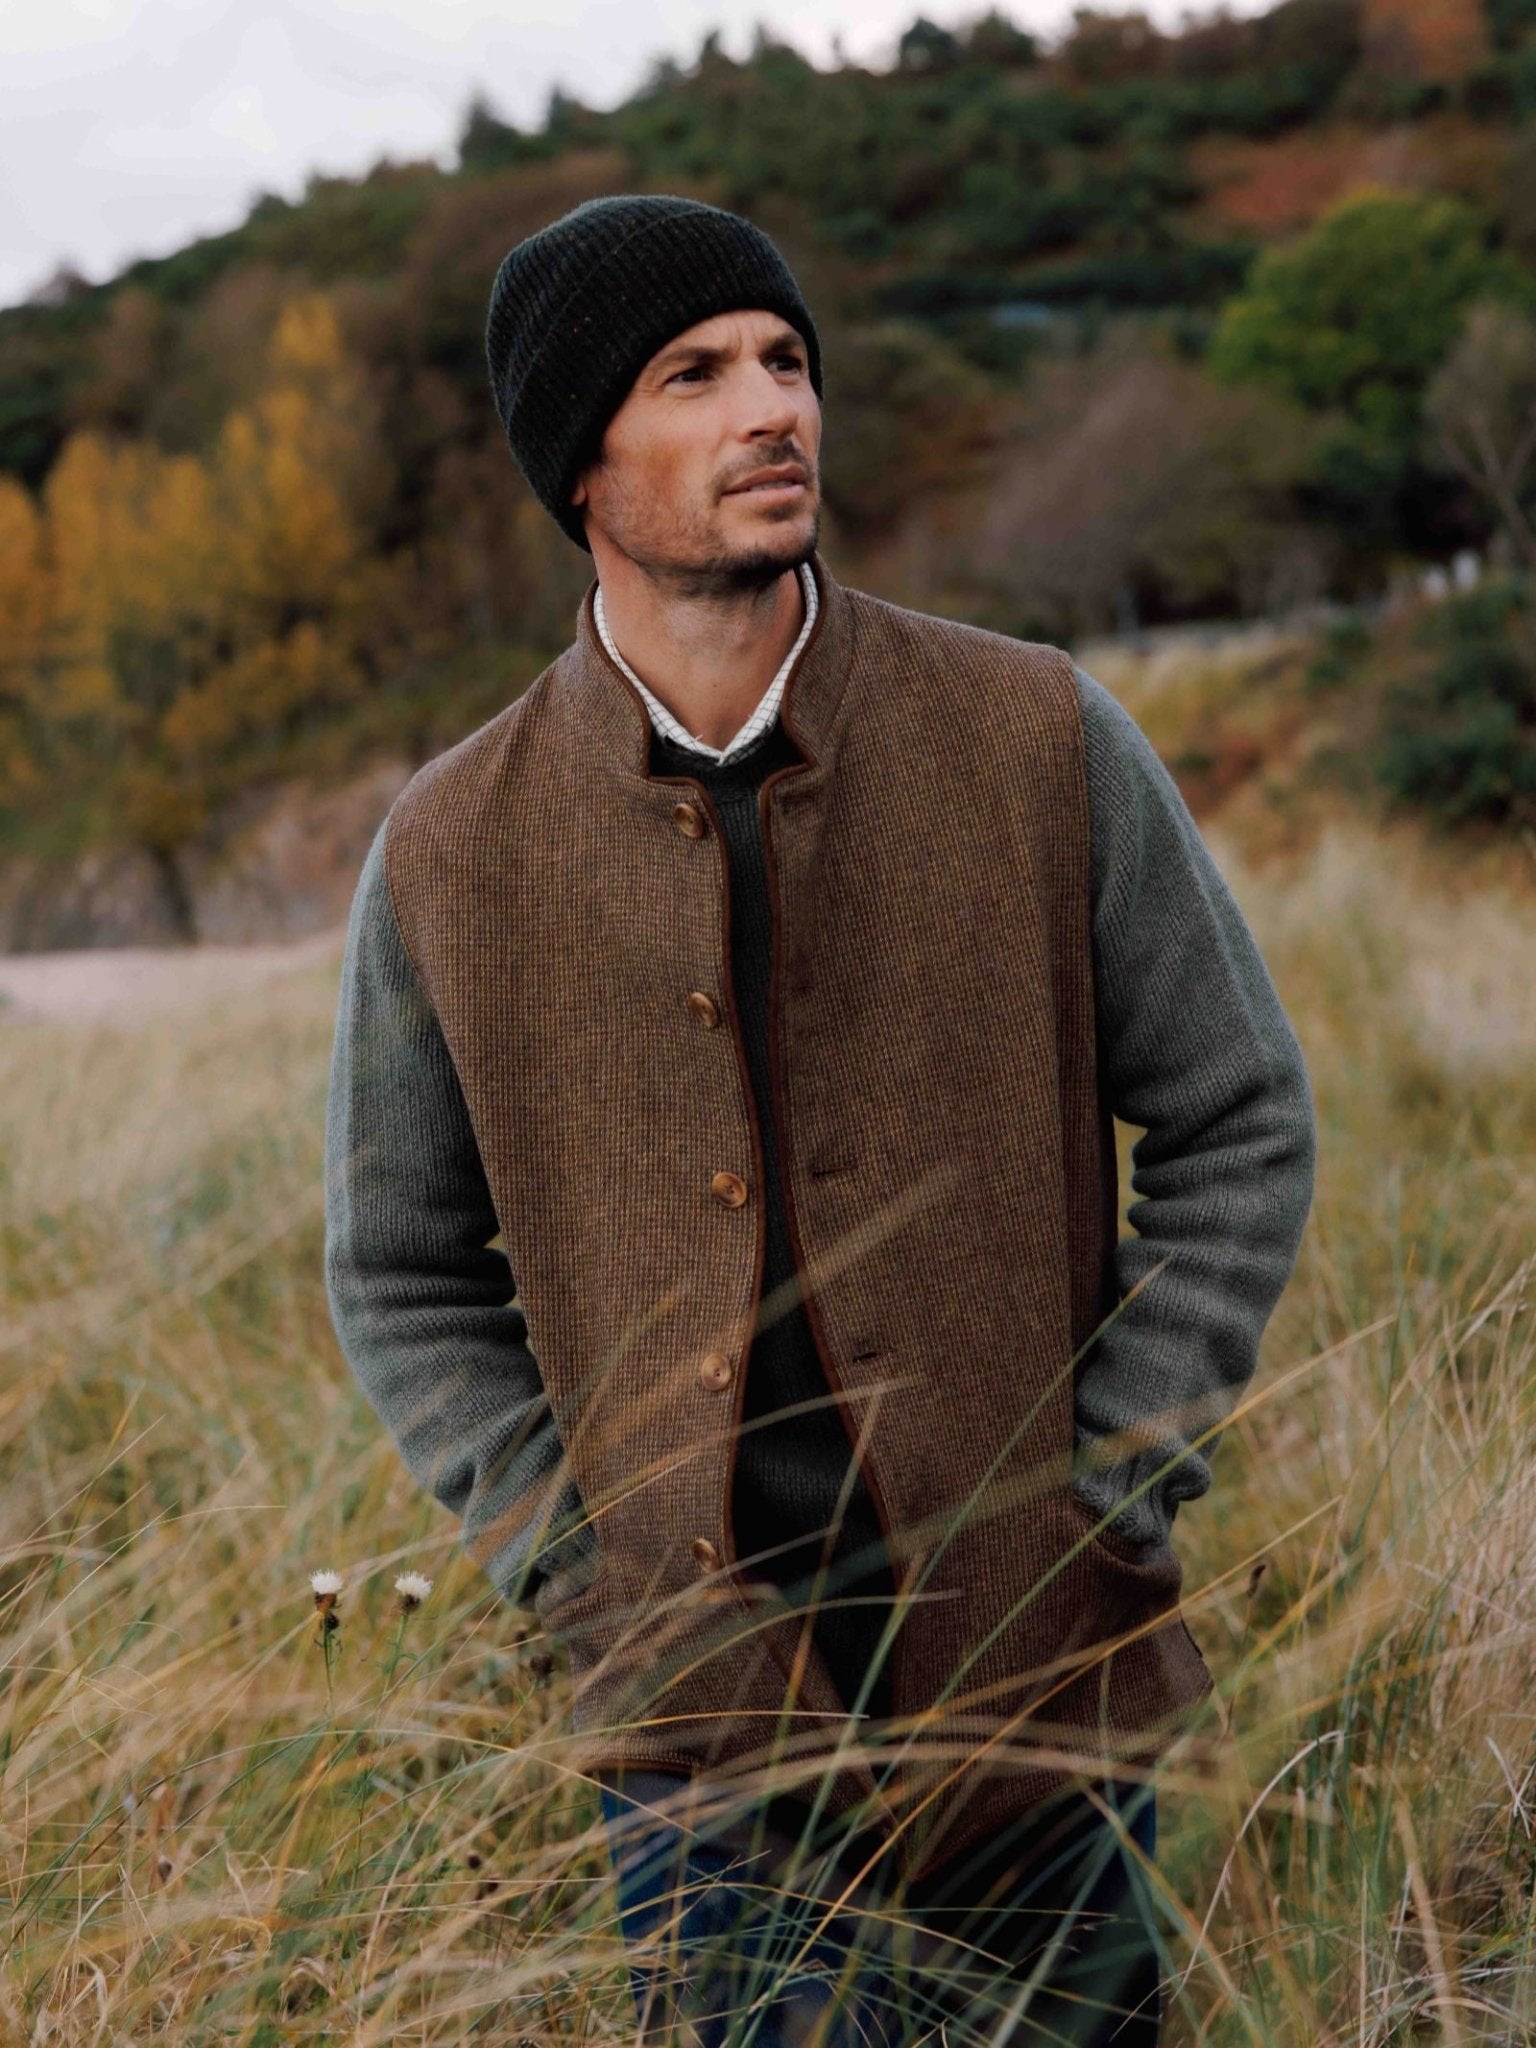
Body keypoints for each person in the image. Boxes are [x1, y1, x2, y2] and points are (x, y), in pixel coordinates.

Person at [323, 194, 1317, 2043]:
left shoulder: (1035, 734)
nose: (770, 408)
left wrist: (1117, 1468)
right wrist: (568, 1561)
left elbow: (1240, 1116)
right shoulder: (451, 850)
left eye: (785, 361)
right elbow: (395, 1267)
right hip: (694, 1717)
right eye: (694, 376)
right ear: (580, 462)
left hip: (1034, 1657)